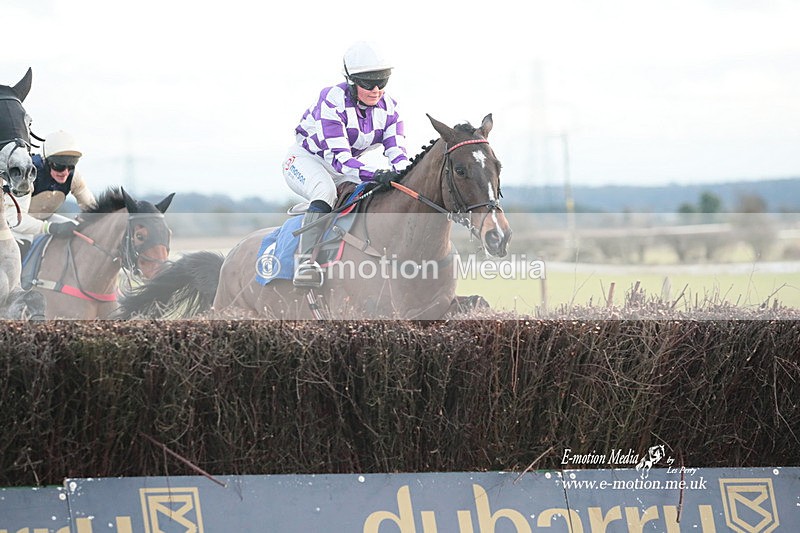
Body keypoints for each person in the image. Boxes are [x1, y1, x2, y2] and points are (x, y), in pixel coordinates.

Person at [283, 40, 411, 286]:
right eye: (368, 82)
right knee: (325, 190)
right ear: (352, 80)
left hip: (346, 167)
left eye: (381, 81)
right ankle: (305, 263)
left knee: (374, 193)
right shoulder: (332, 99)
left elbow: (398, 153)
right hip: (305, 161)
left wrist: (404, 175)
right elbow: (340, 160)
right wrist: (377, 174)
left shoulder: (391, 108)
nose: (375, 89)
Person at [6, 130, 97, 256]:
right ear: (46, 162)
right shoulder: (29, 174)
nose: (65, 172)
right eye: (59, 166)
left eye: (71, 165)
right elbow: (15, 220)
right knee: (20, 250)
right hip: (14, 224)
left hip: (45, 218)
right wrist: (50, 228)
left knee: (79, 233)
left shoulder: (74, 177)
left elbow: (93, 208)